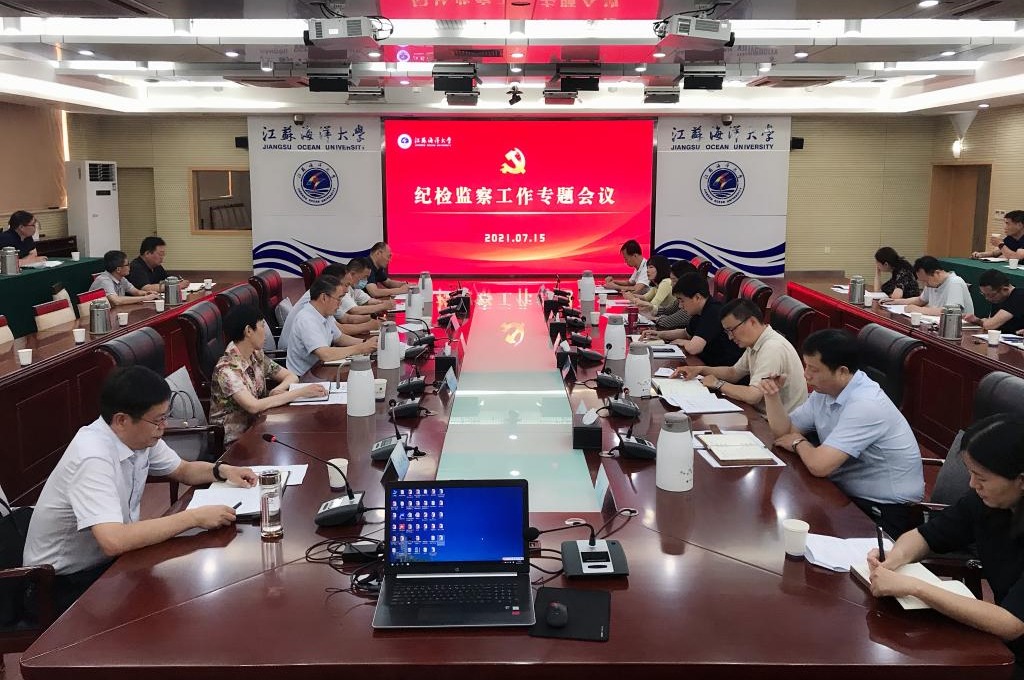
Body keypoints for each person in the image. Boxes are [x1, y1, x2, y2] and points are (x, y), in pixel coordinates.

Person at [22, 365, 256, 614]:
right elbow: (113, 540)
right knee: (175, 606)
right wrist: (194, 517)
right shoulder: (92, 456)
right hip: (59, 584)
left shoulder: (139, 437)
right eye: (158, 420)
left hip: (109, 564)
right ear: (122, 420)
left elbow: (183, 470)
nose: (163, 427)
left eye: (165, 417)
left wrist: (222, 470)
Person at [867, 414, 1024, 670]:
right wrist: (893, 560)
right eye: (971, 474)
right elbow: (925, 536)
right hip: (1000, 644)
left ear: (1021, 480)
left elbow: (1013, 624)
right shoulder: (986, 502)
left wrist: (915, 587)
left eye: (982, 478)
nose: (972, 484)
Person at [760, 328, 924, 537]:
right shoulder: (825, 391)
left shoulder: (865, 404)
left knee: (797, 532)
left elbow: (820, 465)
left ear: (842, 372)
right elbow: (783, 433)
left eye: (813, 369)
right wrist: (772, 395)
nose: (806, 375)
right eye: (805, 366)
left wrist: (799, 443)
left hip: (885, 510)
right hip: (844, 493)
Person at [211, 304, 328, 445]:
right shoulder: (227, 369)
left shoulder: (255, 354)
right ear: (248, 331)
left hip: (262, 425)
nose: (266, 333)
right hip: (238, 441)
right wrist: (300, 392)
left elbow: (291, 377)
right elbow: (253, 406)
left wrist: (277, 390)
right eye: (262, 326)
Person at [672, 298, 807, 414]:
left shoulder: (772, 348)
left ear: (752, 322)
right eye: (727, 332)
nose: (730, 337)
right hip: (761, 415)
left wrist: (717, 384)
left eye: (732, 330)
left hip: (776, 424)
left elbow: (753, 395)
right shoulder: (757, 342)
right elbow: (734, 373)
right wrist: (699, 369)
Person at [284, 274, 378, 376]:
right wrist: (361, 348)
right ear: (324, 298)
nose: (340, 304)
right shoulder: (307, 319)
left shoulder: (324, 313)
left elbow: (340, 338)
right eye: (338, 299)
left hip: (320, 371)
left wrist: (366, 342)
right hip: (304, 378)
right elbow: (325, 354)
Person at [645, 272, 743, 366]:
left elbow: (694, 348)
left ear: (697, 297)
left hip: (721, 368)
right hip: (706, 362)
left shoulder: (713, 311)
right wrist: (659, 334)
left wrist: (683, 342)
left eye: (682, 301)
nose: (680, 306)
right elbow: (686, 333)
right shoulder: (699, 311)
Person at [279, 265, 378, 351]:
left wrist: (366, 342)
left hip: (315, 355)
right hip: (289, 354)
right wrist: (369, 327)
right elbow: (342, 328)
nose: (347, 290)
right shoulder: (317, 302)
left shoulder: (326, 302)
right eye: (346, 285)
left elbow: (338, 336)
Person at [900, 256, 975, 316]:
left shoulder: (955, 282)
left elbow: (950, 311)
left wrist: (918, 309)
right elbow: (921, 300)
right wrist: (896, 301)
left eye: (926, 281)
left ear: (937, 273)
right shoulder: (932, 283)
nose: (925, 285)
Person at [89, 250, 159, 306]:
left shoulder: (121, 278)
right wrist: (145, 298)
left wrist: (147, 293)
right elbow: (116, 301)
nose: (130, 267)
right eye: (127, 264)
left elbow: (136, 292)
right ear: (118, 269)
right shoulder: (104, 280)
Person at [338, 257, 395, 324]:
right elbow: (354, 310)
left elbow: (369, 301)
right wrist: (382, 306)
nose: (366, 280)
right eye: (365, 277)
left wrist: (383, 303)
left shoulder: (355, 288)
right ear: (352, 274)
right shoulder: (341, 289)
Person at [650, 260, 697, 330]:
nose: (671, 284)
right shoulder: (683, 296)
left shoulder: (690, 299)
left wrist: (654, 318)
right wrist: (649, 308)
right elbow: (668, 310)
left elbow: (666, 322)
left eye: (674, 280)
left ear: (684, 280)